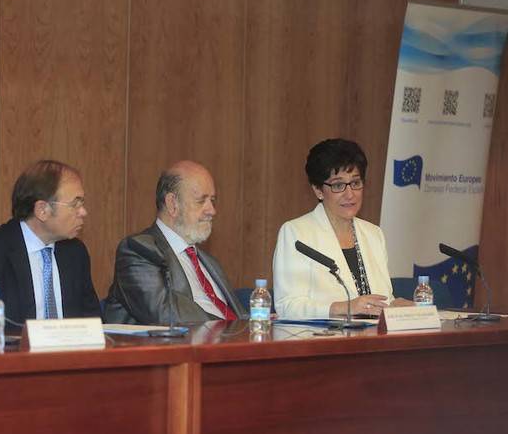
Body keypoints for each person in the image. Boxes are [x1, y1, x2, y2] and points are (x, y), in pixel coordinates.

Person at [273, 138, 413, 319]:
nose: (350, 194)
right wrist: (344, 307)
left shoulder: (373, 234)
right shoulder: (297, 233)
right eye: (338, 185)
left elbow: (378, 300)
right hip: (324, 342)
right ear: (318, 190)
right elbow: (288, 306)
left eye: (355, 183)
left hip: (373, 339)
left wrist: (395, 305)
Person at [0, 160, 100, 331]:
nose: (83, 212)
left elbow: (93, 321)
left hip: (70, 356)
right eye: (75, 204)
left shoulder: (75, 252)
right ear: (42, 210)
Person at [103, 161, 246, 325]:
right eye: (201, 201)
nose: (212, 210)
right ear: (172, 204)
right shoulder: (138, 251)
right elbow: (166, 315)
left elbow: (237, 314)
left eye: (213, 200)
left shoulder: (208, 261)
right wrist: (234, 330)